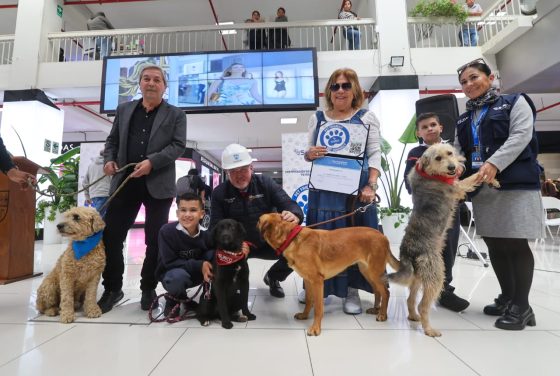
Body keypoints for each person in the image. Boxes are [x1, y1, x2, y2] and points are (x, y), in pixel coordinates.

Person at [455, 58, 544, 330]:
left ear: (490, 77)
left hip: (515, 184)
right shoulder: (464, 117)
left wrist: (495, 163)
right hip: (483, 187)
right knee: (495, 244)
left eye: (473, 78)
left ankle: (522, 306)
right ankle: (507, 297)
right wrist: (454, 171)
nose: (469, 85)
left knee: (516, 243)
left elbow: (520, 136)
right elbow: (460, 150)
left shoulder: (515, 102)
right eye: (464, 82)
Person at [98, 65, 187, 313]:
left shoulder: (176, 114)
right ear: (140, 83)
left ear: (164, 86)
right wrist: (109, 160)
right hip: (125, 181)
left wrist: (152, 162)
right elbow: (112, 140)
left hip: (158, 185)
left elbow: (178, 146)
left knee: (154, 240)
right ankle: (113, 288)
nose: (151, 83)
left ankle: (148, 288)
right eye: (146, 79)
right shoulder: (124, 110)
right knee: (112, 236)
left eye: (156, 80)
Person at [303, 68, 381, 314]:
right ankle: (318, 289)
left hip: (356, 192)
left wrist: (371, 185)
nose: (340, 91)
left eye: (346, 86)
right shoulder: (317, 118)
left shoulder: (367, 117)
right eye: (335, 86)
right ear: (329, 91)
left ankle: (352, 291)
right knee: (320, 242)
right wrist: (309, 153)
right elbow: (308, 151)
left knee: (352, 243)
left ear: (354, 89)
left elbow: (375, 154)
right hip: (324, 191)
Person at [210, 143, 303, 298]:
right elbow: (214, 227)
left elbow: (288, 203)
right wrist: (236, 243)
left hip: (269, 242)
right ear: (226, 172)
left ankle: (273, 277)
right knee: (215, 254)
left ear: (251, 168)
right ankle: (226, 287)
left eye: (243, 169)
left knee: (298, 250)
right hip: (239, 245)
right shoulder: (219, 193)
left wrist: (295, 214)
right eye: (234, 171)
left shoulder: (265, 183)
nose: (239, 175)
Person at [403, 112, 470, 312]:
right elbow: (410, 182)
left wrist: (457, 170)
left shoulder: (451, 149)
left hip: (450, 209)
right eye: (424, 127)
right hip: (426, 211)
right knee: (425, 251)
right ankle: (419, 288)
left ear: (441, 127)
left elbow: (461, 167)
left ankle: (444, 288)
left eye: (433, 125)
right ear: (418, 132)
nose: (430, 129)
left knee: (448, 247)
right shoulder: (416, 153)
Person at [155, 193, 213, 318]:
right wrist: (199, 264)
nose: (187, 215)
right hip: (172, 274)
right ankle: (174, 299)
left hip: (196, 274)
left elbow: (211, 253)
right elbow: (169, 262)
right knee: (177, 277)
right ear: (177, 213)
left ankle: (206, 299)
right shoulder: (167, 231)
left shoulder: (206, 235)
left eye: (193, 210)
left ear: (202, 213)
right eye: (183, 210)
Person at [82, 149, 112, 217]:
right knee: (97, 217)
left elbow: (85, 183)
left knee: (100, 217)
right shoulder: (109, 166)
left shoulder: (91, 165)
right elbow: (113, 180)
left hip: (94, 195)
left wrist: (87, 197)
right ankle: (87, 226)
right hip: (105, 193)